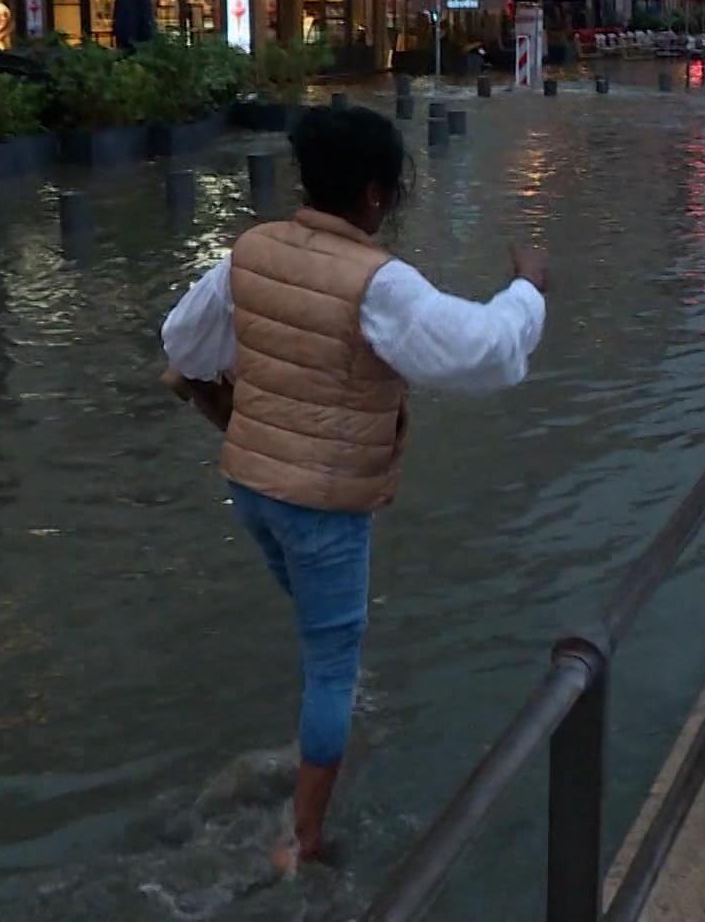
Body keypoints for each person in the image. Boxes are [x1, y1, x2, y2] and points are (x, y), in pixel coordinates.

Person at [159, 107, 549, 868]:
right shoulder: (380, 283)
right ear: (375, 196)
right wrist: (529, 289)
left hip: (252, 488)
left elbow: (182, 342)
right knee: (333, 658)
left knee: (320, 632)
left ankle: (318, 730)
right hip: (322, 504)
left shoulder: (249, 250)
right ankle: (302, 838)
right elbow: (486, 352)